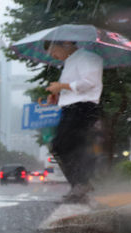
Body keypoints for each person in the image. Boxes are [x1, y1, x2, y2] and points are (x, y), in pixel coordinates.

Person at [44, 40, 103, 203]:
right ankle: (80, 186)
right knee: (65, 146)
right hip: (71, 108)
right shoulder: (70, 62)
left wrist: (61, 85)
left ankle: (81, 184)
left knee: (65, 146)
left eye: (53, 51)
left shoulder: (87, 57)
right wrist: (57, 94)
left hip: (83, 108)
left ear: (66, 44)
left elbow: (90, 83)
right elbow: (73, 88)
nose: (54, 56)